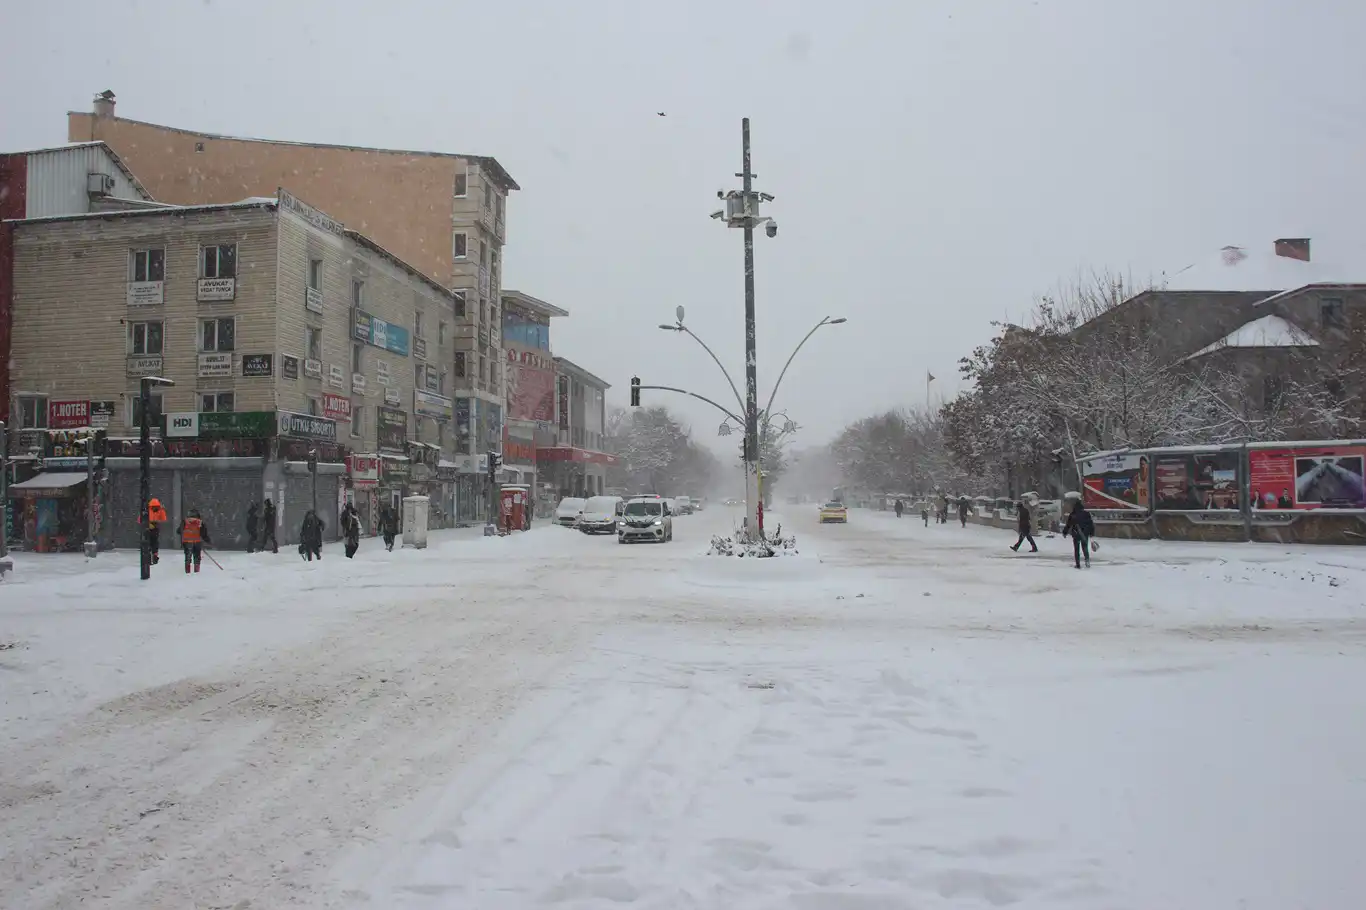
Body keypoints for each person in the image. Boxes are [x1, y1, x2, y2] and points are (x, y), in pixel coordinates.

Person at [1062, 499, 1096, 569]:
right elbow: (1090, 524)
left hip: (1076, 533)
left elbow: (1068, 525)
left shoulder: (1073, 514)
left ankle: (1078, 564)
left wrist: (1065, 532)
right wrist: (1091, 533)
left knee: (1077, 549)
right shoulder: (1086, 514)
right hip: (1084, 533)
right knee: (1085, 548)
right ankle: (1087, 561)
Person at [177, 508, 211, 573]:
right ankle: (196, 571)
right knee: (197, 557)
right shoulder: (200, 522)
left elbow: (178, 531)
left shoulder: (185, 522)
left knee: (188, 557)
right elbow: (203, 533)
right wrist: (208, 541)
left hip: (187, 542)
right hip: (197, 542)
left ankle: (187, 572)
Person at [145, 497, 168, 565]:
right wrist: (162, 510)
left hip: (147, 527)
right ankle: (154, 556)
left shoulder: (147, 510)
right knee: (154, 543)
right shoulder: (159, 510)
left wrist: (148, 524)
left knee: (148, 543)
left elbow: (140, 520)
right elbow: (163, 519)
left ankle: (149, 557)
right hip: (155, 528)